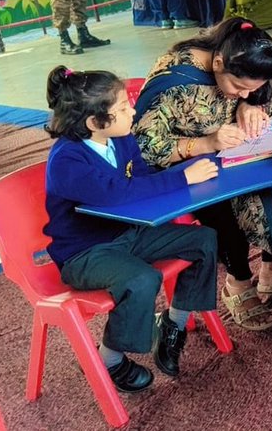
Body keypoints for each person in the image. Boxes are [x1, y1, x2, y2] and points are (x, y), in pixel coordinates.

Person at [133, 18, 272, 329]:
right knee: (223, 205)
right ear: (218, 62)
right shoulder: (175, 79)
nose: (242, 93)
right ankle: (238, 282)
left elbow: (259, 95)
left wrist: (250, 107)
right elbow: (144, 147)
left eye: (252, 89)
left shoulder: (242, 56)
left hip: (232, 155)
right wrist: (205, 143)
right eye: (238, 87)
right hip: (186, 169)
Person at [43, 66, 220, 392]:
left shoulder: (121, 138)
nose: (133, 111)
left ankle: (173, 325)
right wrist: (182, 177)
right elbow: (117, 194)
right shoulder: (66, 161)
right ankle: (108, 358)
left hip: (128, 234)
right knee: (141, 279)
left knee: (203, 239)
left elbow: (139, 179)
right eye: (123, 108)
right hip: (84, 254)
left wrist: (181, 173)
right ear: (95, 122)